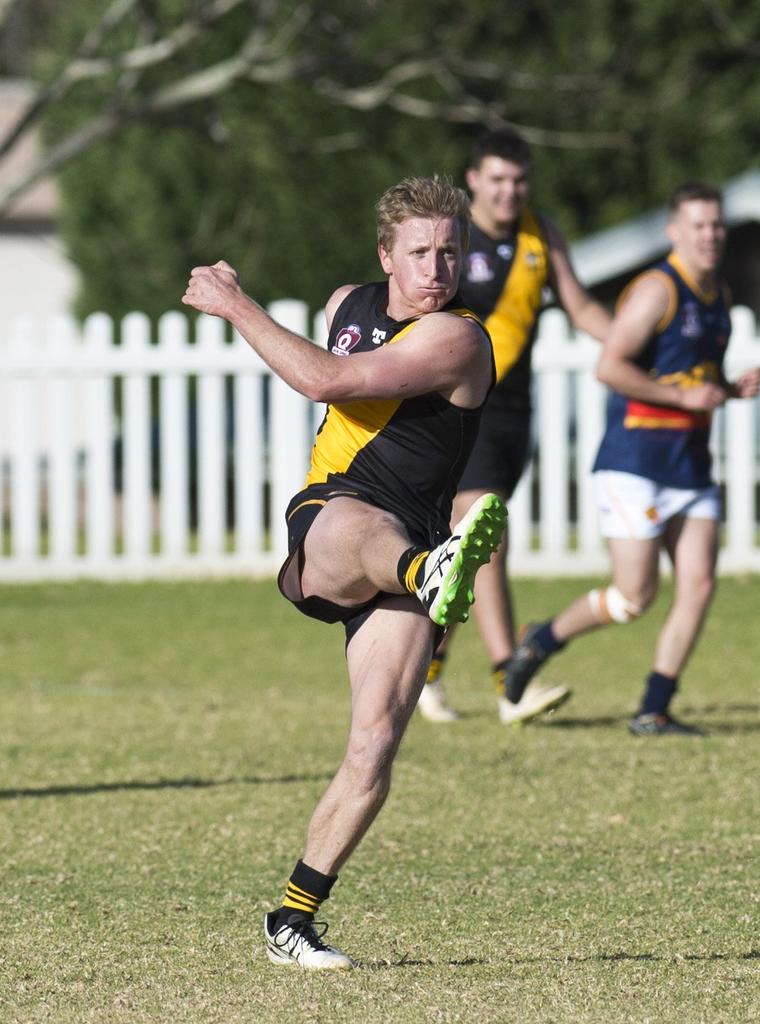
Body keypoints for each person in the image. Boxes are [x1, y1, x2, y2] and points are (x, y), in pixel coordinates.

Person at [182, 176, 507, 969]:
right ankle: (429, 571)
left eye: (451, 254)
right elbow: (331, 371)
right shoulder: (346, 304)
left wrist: (233, 302)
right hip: (333, 518)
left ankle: (291, 921)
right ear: (385, 256)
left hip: (414, 546)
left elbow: (327, 381)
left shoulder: (459, 338)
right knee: (370, 527)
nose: (439, 270)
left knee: (374, 747)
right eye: (422, 253)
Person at [503, 181, 760, 736]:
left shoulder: (717, 293)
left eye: (716, 225)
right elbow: (610, 368)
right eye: (697, 226)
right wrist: (684, 396)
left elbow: (687, 373)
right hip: (635, 462)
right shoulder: (657, 290)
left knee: (699, 585)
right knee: (632, 596)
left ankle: (654, 708)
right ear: (674, 231)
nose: (710, 235)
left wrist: (728, 388)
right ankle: (540, 640)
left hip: (690, 464)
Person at [417, 129, 612, 725]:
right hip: (453, 405)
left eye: (519, 180)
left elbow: (579, 307)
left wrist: (637, 347)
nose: (509, 191)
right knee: (484, 535)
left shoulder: (540, 234)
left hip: (512, 413)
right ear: (473, 179)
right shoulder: (450, 236)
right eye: (497, 179)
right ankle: (511, 679)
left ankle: (425, 665)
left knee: (467, 551)